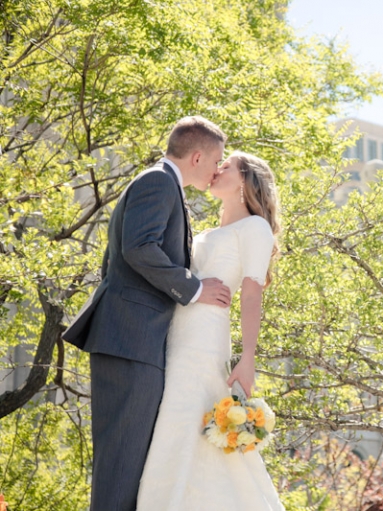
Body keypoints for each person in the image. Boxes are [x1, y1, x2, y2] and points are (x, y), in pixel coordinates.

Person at [62, 116, 233, 510]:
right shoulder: (158, 181)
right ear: (196, 157)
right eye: (215, 160)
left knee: (129, 461)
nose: (217, 169)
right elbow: (138, 247)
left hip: (134, 339)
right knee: (121, 461)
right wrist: (194, 288)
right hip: (131, 339)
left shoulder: (163, 184)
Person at [136, 151, 284, 510]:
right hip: (175, 333)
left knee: (186, 414)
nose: (217, 170)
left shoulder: (255, 227)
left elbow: (252, 294)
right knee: (176, 421)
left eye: (226, 166)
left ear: (245, 180)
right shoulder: (205, 232)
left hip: (205, 338)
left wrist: (247, 358)